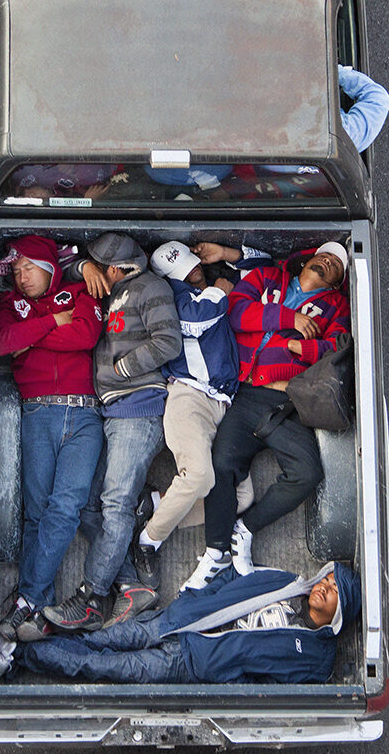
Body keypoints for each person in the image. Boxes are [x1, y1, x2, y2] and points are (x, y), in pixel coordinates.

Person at [182, 241, 351, 590]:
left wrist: (296, 345)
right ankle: (215, 553)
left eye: (337, 264)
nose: (328, 260)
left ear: (336, 283)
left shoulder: (336, 305)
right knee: (222, 464)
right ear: (307, 259)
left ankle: (245, 530)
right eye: (325, 254)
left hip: (286, 402)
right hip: (242, 394)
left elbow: (337, 347)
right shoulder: (267, 277)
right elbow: (235, 312)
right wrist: (290, 320)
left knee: (306, 473)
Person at [43, 233, 182, 632]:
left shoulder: (150, 287)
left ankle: (91, 596)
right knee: (89, 506)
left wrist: (123, 369)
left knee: (116, 504)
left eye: (101, 267)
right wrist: (83, 267)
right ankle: (129, 584)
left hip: (138, 408)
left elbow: (168, 342)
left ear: (120, 269)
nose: (96, 274)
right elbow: (63, 271)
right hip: (111, 411)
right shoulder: (108, 289)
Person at [0, 561, 361, 685]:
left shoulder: (316, 656)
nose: (324, 588)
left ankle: (14, 655)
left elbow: (268, 685)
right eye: (326, 579)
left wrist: (223, 676)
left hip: (192, 662)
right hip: (177, 619)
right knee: (101, 639)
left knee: (101, 665)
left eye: (334, 591)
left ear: (340, 613)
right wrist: (194, 598)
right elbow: (235, 579)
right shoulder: (285, 583)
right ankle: (9, 654)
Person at [0, 235, 104, 642]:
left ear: (50, 266)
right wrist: (54, 323)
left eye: (28, 268)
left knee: (66, 507)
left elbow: (86, 336)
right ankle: (35, 609)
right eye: (16, 272)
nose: (21, 277)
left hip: (86, 414)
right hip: (36, 411)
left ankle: (27, 600)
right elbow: (3, 343)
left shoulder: (76, 292)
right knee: (36, 513)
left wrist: (31, 336)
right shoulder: (9, 305)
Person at [129, 242, 239, 590]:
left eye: (192, 264)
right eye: (183, 272)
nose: (192, 272)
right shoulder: (174, 297)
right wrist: (219, 289)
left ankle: (158, 504)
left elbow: (262, 262)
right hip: (188, 397)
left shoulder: (204, 283)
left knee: (241, 496)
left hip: (224, 402)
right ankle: (148, 540)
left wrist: (224, 256)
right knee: (199, 478)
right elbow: (197, 319)